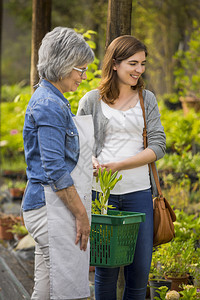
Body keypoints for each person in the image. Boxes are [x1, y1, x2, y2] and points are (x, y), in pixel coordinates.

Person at [77, 35, 166, 300]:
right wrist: (90, 159)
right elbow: (79, 146)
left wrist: (119, 165)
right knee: (106, 271)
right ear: (115, 64)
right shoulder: (91, 100)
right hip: (102, 197)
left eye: (143, 64)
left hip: (139, 193)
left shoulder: (146, 99)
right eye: (133, 63)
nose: (139, 69)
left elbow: (158, 146)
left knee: (139, 273)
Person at [22, 27, 95, 300]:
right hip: (49, 207)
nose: (83, 76)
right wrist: (81, 215)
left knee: (47, 286)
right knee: (65, 291)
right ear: (62, 64)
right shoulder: (49, 105)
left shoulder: (53, 99)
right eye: (80, 69)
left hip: (49, 204)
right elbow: (54, 169)